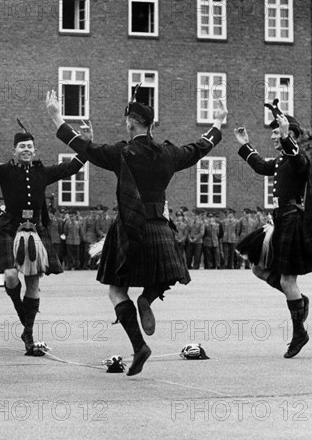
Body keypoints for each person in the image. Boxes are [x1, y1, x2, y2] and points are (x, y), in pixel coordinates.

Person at [46, 89, 227, 375]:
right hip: (158, 226)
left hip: (129, 227)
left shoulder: (122, 152)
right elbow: (199, 148)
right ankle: (148, 298)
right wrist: (218, 122)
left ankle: (139, 346)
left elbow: (84, 148)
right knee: (167, 274)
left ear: (131, 123)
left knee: (116, 290)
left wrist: (57, 116)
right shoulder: (169, 153)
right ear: (151, 125)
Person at [0, 109, 87, 355]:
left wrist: (86, 143)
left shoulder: (43, 172)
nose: (27, 150)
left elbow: (74, 166)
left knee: (33, 284)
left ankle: (28, 333)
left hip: (36, 231)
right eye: (22, 147)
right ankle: (22, 315)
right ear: (14, 151)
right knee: (10, 276)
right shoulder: (5, 171)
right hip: (10, 227)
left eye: (30, 146)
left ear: (35, 150)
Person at [234, 110, 312, 358]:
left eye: (275, 132)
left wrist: (285, 138)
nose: (271, 136)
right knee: (258, 269)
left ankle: (299, 332)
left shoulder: (297, 158)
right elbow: (261, 166)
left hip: (292, 220)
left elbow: (296, 155)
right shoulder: (282, 161)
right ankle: (300, 300)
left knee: (286, 280)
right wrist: (245, 145)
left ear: (288, 134)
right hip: (280, 221)